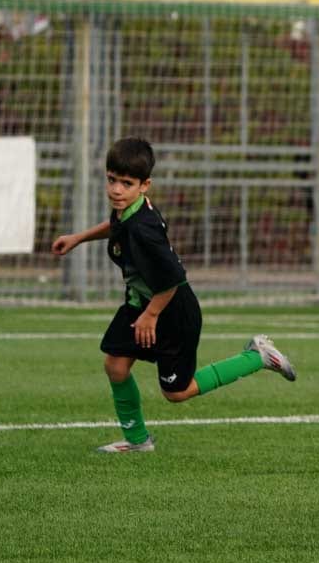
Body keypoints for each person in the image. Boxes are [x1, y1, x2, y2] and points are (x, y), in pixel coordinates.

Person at [51, 137, 299, 453]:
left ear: (145, 185)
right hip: (140, 305)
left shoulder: (144, 229)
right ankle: (138, 441)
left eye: (126, 183)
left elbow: (172, 278)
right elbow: (115, 227)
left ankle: (257, 357)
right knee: (115, 365)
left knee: (177, 392)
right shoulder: (129, 209)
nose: (116, 190)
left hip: (172, 313)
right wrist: (79, 237)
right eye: (112, 180)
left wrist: (151, 315)